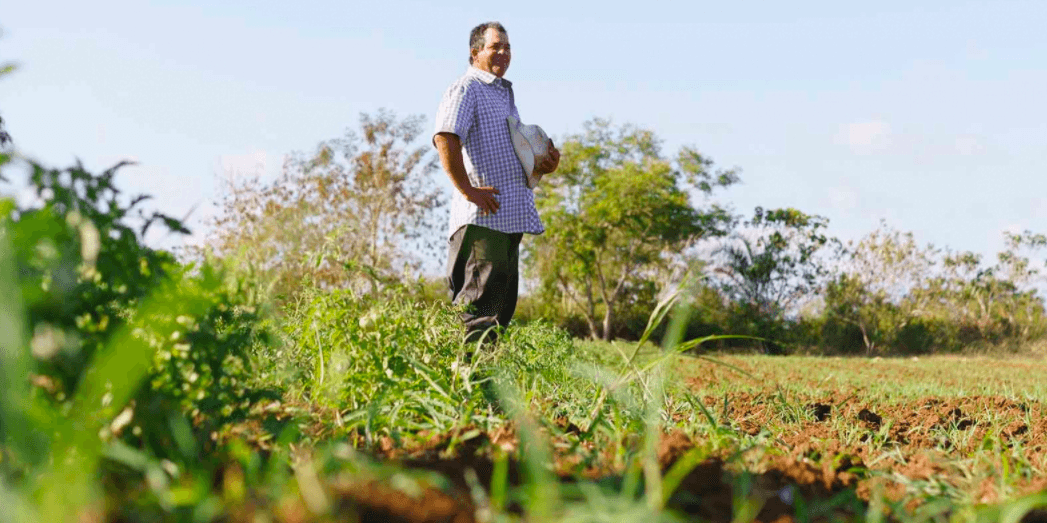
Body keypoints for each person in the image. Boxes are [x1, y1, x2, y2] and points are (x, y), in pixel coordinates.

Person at [433, 21, 560, 346]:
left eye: (507, 47)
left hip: (508, 221)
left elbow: (511, 156)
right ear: (475, 53)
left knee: (499, 314)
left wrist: (543, 164)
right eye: (495, 46)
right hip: (482, 221)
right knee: (478, 310)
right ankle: (464, 390)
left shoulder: (503, 97)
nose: (503, 52)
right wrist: (468, 190)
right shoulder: (467, 88)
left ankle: (485, 390)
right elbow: (446, 136)